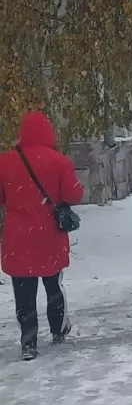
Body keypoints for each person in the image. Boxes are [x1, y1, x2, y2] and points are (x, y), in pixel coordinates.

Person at [0, 111, 84, 361]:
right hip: (49, 235)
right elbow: (73, 196)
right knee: (53, 286)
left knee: (23, 292)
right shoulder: (59, 161)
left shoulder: (5, 161)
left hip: (18, 236)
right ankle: (58, 330)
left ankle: (29, 343)